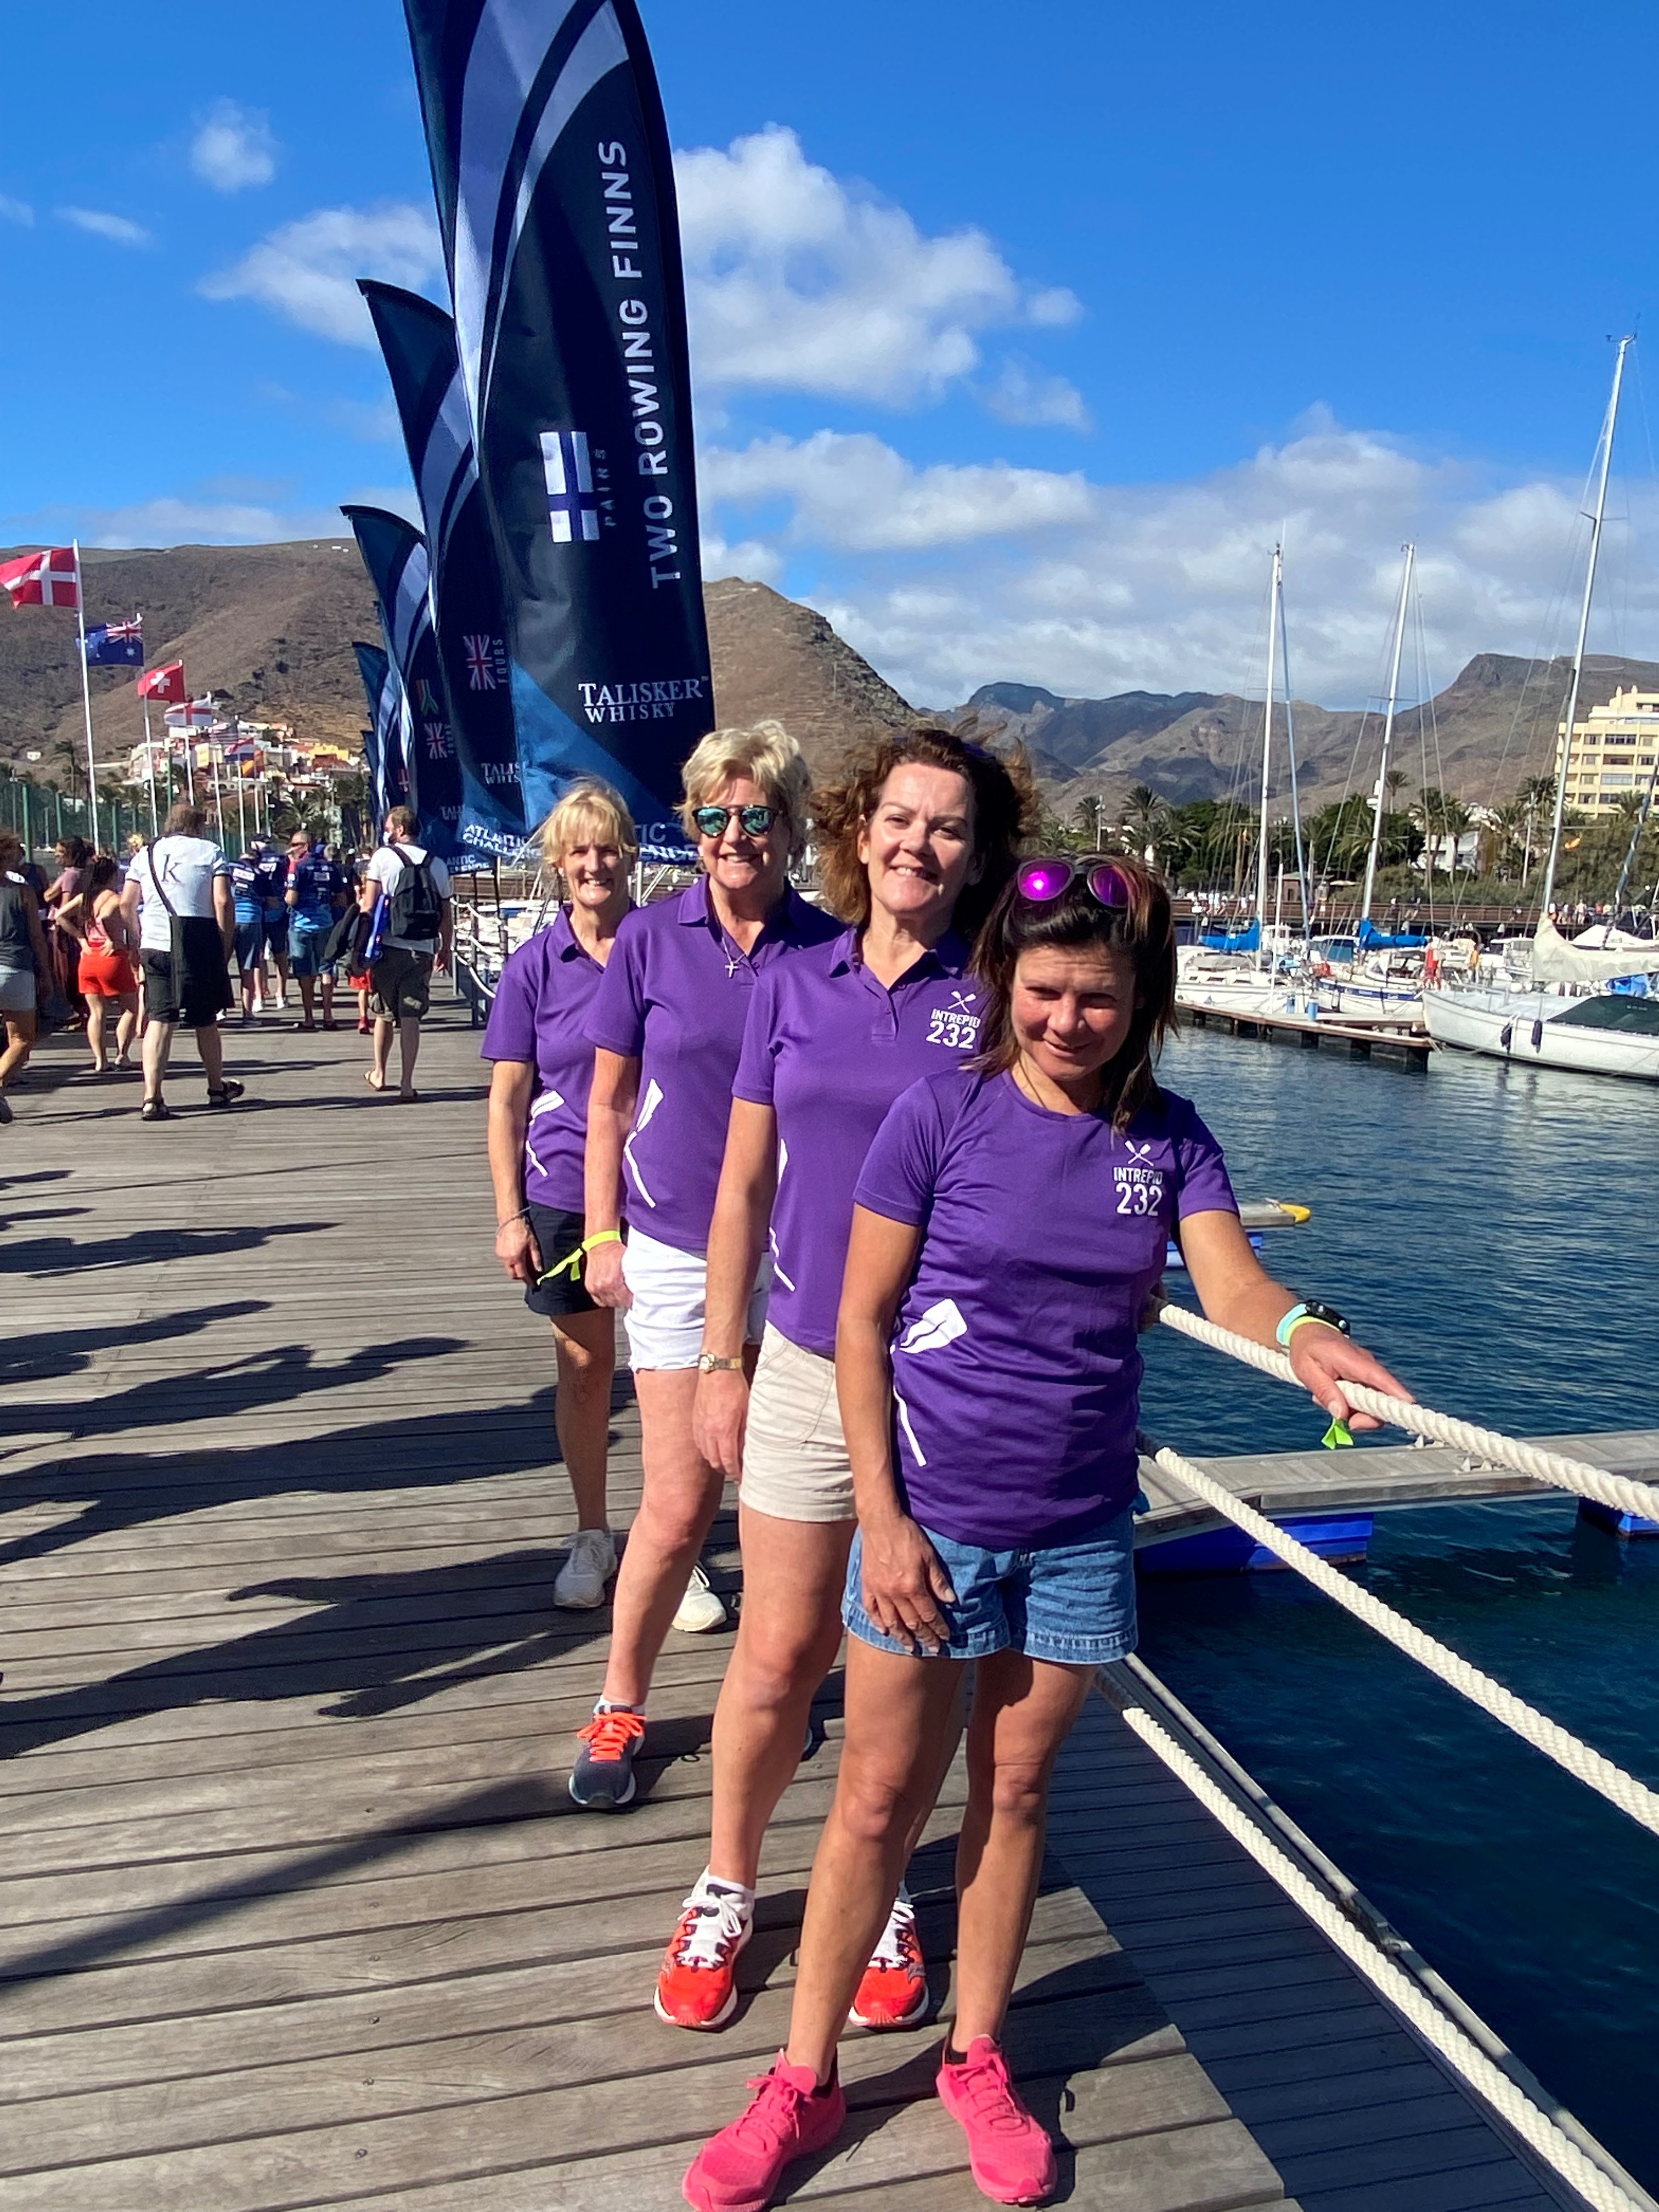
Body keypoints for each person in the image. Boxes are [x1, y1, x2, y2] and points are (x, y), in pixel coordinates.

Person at [683, 855, 1410, 2212]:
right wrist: (884, 1518)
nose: (1070, 1020)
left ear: (1144, 1003)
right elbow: (859, 1324)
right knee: (875, 1801)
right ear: (1006, 984)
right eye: (1046, 992)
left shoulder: (1171, 1139)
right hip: (933, 1522)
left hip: (1078, 1531)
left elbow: (1232, 1281)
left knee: (1015, 1796)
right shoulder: (939, 1115)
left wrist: (1308, 1337)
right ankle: (803, 2075)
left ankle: (975, 2057)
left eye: (1100, 998)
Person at [656, 729, 1031, 2034]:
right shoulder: (793, 980)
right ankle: (726, 1879)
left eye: (949, 828)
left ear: (977, 857)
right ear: (860, 830)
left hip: (946, 1389)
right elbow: (742, 1188)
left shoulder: (996, 992)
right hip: (809, 1363)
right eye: (901, 819)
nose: (920, 845)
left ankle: (881, 1890)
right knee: (778, 1651)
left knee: (907, 1660)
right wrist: (722, 1356)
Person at [571, 720, 838, 1810]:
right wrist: (600, 1233)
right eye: (713, 816)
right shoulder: (650, 939)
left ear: (791, 826)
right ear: (690, 827)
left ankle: (777, 1686)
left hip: (800, 1256)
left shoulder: (831, 950)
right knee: (681, 1500)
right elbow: (606, 1103)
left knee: (795, 1502)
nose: (734, 834)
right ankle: (619, 1697)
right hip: (678, 1247)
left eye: (756, 814)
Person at [483, 781, 637, 1610]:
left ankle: (672, 1544)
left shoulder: (662, 949)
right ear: (557, 863)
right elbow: (508, 1099)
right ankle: (592, 1531)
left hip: (661, 1195)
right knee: (585, 1371)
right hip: (565, 1191)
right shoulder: (534, 968)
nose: (594, 863)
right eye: (579, 850)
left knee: (672, 1378)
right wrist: (510, 1215)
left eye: (607, 847)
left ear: (629, 855)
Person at [121, 804, 242, 1122]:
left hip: (155, 944)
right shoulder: (210, 851)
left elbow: (126, 904)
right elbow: (223, 901)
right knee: (205, 1019)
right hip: (197, 942)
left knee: (160, 1019)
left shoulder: (145, 855)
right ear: (198, 826)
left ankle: (152, 1097)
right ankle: (216, 1088)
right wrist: (224, 941)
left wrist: (139, 938)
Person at [362, 806, 453, 1100]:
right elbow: (446, 914)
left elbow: (369, 906)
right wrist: (445, 948)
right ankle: (407, 1083)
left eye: (389, 827)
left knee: (384, 1013)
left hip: (389, 946)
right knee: (411, 1015)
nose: (386, 832)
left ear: (400, 830)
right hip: (422, 949)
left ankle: (379, 1072)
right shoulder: (437, 864)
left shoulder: (383, 857)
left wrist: (360, 948)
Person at [61, 854, 140, 1073]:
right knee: (131, 1008)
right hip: (111, 957)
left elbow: (61, 916)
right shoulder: (115, 899)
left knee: (96, 1013)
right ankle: (122, 1055)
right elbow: (107, 918)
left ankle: (100, 1060)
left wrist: (81, 938)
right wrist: (115, 938)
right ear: (112, 876)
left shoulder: (85, 899)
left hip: (89, 958)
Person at [0, 830, 52, 1123]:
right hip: (15, 969)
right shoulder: (23, 892)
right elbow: (36, 937)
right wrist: (45, 973)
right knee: (22, 1039)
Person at [285, 828, 347, 1030]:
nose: (292, 849)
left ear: (305, 846)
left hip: (301, 925)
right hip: (325, 924)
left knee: (305, 973)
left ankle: (309, 1018)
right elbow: (342, 899)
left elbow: (291, 899)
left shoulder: (299, 868)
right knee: (326, 969)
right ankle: (328, 1016)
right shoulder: (330, 868)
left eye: (295, 845)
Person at [43, 834, 90, 1025]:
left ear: (72, 854)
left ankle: (79, 1011)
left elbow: (60, 901)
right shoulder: (83, 873)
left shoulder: (70, 875)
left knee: (66, 972)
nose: (57, 856)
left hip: (64, 930)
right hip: (75, 927)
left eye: (61, 853)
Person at [230, 840, 268, 1021]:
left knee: (221, 967)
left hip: (228, 920)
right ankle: (247, 1013)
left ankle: (220, 1011)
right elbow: (272, 902)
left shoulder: (229, 868)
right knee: (248, 968)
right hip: (251, 920)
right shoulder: (260, 874)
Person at [255, 835, 292, 1011]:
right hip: (278, 911)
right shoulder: (281, 860)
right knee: (281, 954)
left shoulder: (252, 861)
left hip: (259, 912)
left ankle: (260, 996)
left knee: (258, 956)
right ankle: (281, 995)